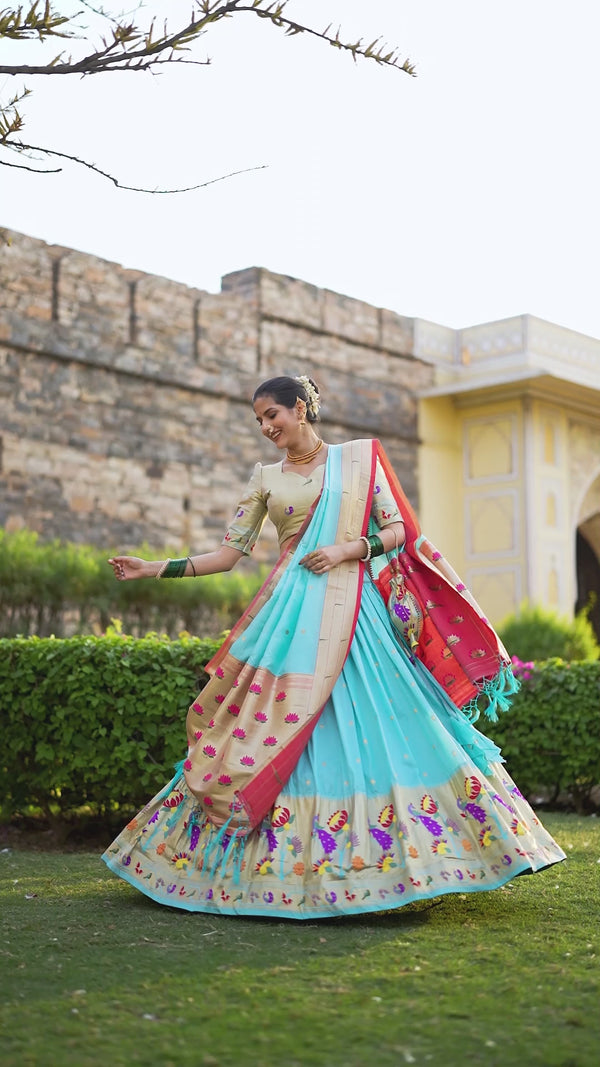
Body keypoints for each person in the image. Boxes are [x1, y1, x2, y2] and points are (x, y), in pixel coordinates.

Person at [103, 374, 565, 917]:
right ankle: (266, 868)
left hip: (356, 613)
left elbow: (396, 531)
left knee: (386, 714)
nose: (265, 427)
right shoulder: (265, 479)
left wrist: (349, 549)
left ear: (300, 409)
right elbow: (229, 555)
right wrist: (153, 568)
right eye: (258, 420)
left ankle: (427, 855)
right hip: (290, 616)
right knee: (270, 721)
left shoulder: (358, 461)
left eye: (271, 414)